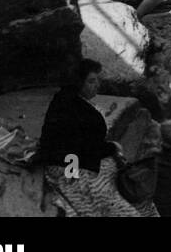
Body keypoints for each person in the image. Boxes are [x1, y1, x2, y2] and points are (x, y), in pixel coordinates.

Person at [35, 59, 146, 216]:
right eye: (91, 81)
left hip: (72, 160)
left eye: (97, 80)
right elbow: (86, 148)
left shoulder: (65, 99)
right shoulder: (76, 109)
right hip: (70, 168)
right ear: (78, 83)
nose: (97, 85)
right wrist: (113, 147)